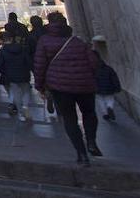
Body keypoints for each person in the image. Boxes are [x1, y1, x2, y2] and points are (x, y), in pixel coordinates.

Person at [34, 13, 100, 165]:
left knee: (70, 119)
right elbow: (94, 63)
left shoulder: (45, 41)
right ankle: (91, 141)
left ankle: (81, 154)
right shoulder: (77, 41)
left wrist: (40, 85)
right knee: (89, 113)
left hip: (60, 86)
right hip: (84, 84)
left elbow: (39, 65)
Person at [0, 26, 34, 121]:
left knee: (16, 94)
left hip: (11, 75)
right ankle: (25, 106)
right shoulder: (23, 48)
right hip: (24, 73)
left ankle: (21, 114)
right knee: (26, 91)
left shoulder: (2, 51)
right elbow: (29, 62)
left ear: (3, 40)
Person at [93, 43, 121, 122]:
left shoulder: (92, 70)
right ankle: (110, 107)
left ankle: (105, 113)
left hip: (98, 88)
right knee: (110, 99)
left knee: (100, 100)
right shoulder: (108, 69)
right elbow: (114, 78)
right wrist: (117, 87)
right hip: (109, 87)